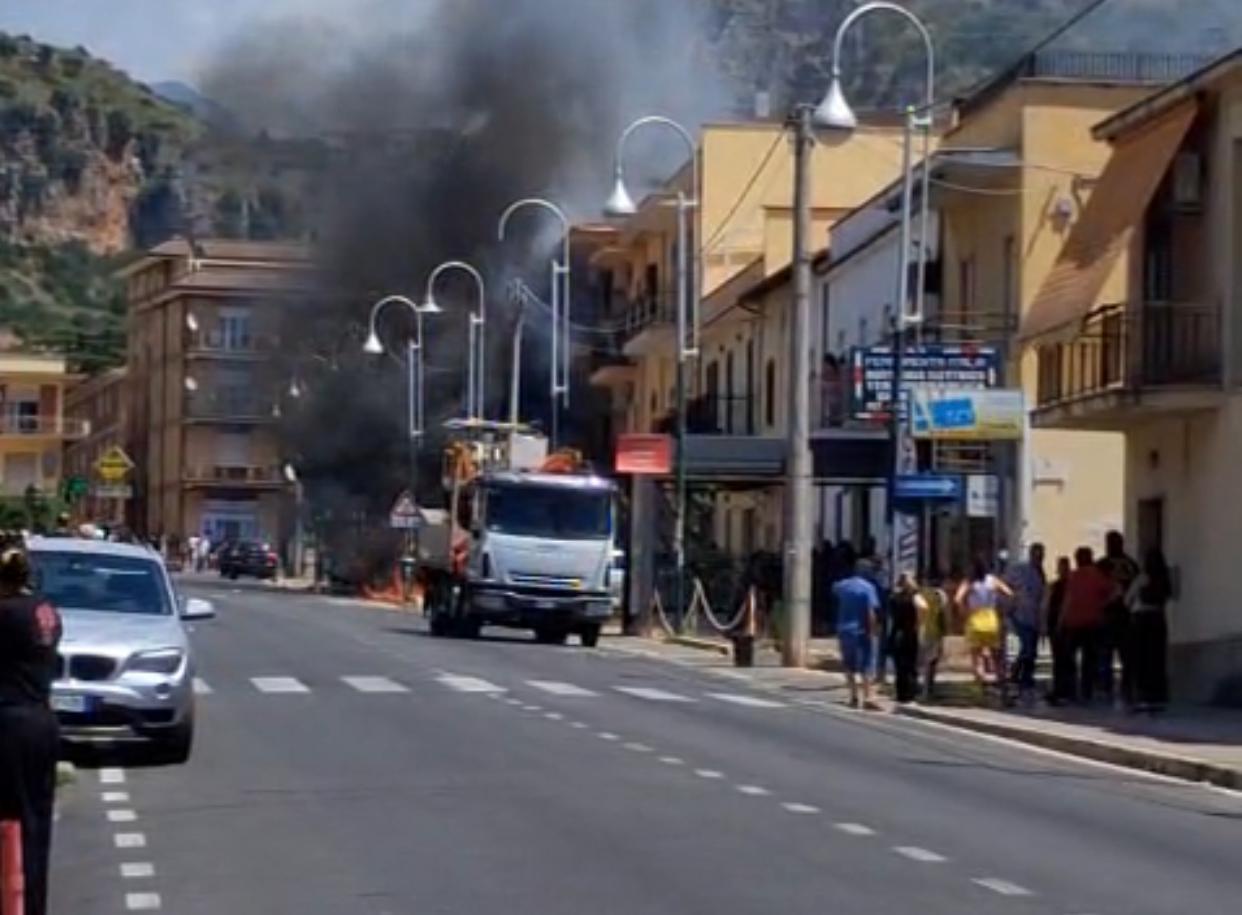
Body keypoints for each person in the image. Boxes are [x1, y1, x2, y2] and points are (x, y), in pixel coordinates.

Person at [0, 540, 62, 915]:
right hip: (41, 719)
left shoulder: (5, 614)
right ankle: (33, 903)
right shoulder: (45, 610)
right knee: (35, 822)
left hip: (9, 722)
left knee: (9, 819)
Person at [1059, 546, 1116, 703]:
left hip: (1073, 622)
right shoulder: (1097, 575)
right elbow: (1115, 591)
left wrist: (1060, 621)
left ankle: (1071, 691)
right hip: (1093, 622)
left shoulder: (1073, 576)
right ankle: (1086, 691)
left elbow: (1067, 600)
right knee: (1089, 660)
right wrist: (1102, 604)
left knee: (1069, 658)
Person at [955, 557, 1013, 698]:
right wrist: (1003, 610)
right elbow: (1009, 593)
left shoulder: (969, 582)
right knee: (997, 657)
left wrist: (965, 612)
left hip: (975, 620)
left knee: (977, 659)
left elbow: (957, 599)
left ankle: (981, 689)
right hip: (991, 620)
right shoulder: (992, 580)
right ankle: (1002, 688)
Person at [1126, 548, 1172, 712]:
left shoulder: (1142, 578)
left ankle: (1144, 696)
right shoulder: (1164, 578)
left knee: (1142, 659)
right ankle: (1159, 696)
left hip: (1141, 619)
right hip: (1158, 618)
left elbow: (1127, 599)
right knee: (1157, 658)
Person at [1097, 530, 1140, 703]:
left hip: (1109, 615)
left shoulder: (1102, 565)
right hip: (1125, 615)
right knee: (1125, 655)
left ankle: (1107, 688)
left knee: (1106, 655)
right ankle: (1125, 688)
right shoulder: (1131, 564)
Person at [832, 560, 881, 709]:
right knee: (866, 664)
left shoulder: (843, 586)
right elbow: (870, 612)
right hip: (861, 630)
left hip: (844, 629)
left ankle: (853, 695)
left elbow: (834, 588)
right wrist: (873, 631)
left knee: (849, 665)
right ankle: (868, 697)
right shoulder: (868, 588)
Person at [1004, 543, 1047, 701]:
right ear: (1031, 554)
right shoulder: (1020, 570)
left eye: (1041, 555)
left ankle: (1026, 677)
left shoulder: (1041, 573)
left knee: (1032, 650)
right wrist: (1011, 602)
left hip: (1034, 617)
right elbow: (1005, 584)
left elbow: (1042, 596)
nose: (1039, 558)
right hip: (1020, 615)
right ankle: (1017, 674)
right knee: (1027, 647)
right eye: (1036, 555)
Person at [888, 572, 926, 704]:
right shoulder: (914, 596)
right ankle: (911, 693)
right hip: (909, 632)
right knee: (910, 664)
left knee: (900, 666)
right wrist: (918, 624)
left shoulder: (894, 597)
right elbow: (924, 607)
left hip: (896, 632)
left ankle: (901, 694)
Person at [918, 570, 949, 700]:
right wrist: (945, 631)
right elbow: (943, 614)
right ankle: (928, 690)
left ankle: (924, 689)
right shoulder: (940, 595)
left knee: (923, 661)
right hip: (934, 630)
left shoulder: (920, 594)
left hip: (921, 630)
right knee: (932, 661)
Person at [1046, 556, 1072, 704]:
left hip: (1063, 625)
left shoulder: (1068, 585)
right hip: (1057, 624)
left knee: (1062, 659)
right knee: (1060, 659)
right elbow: (1048, 604)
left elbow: (1065, 605)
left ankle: (1062, 690)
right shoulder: (1056, 585)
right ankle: (1061, 689)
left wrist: (1059, 623)